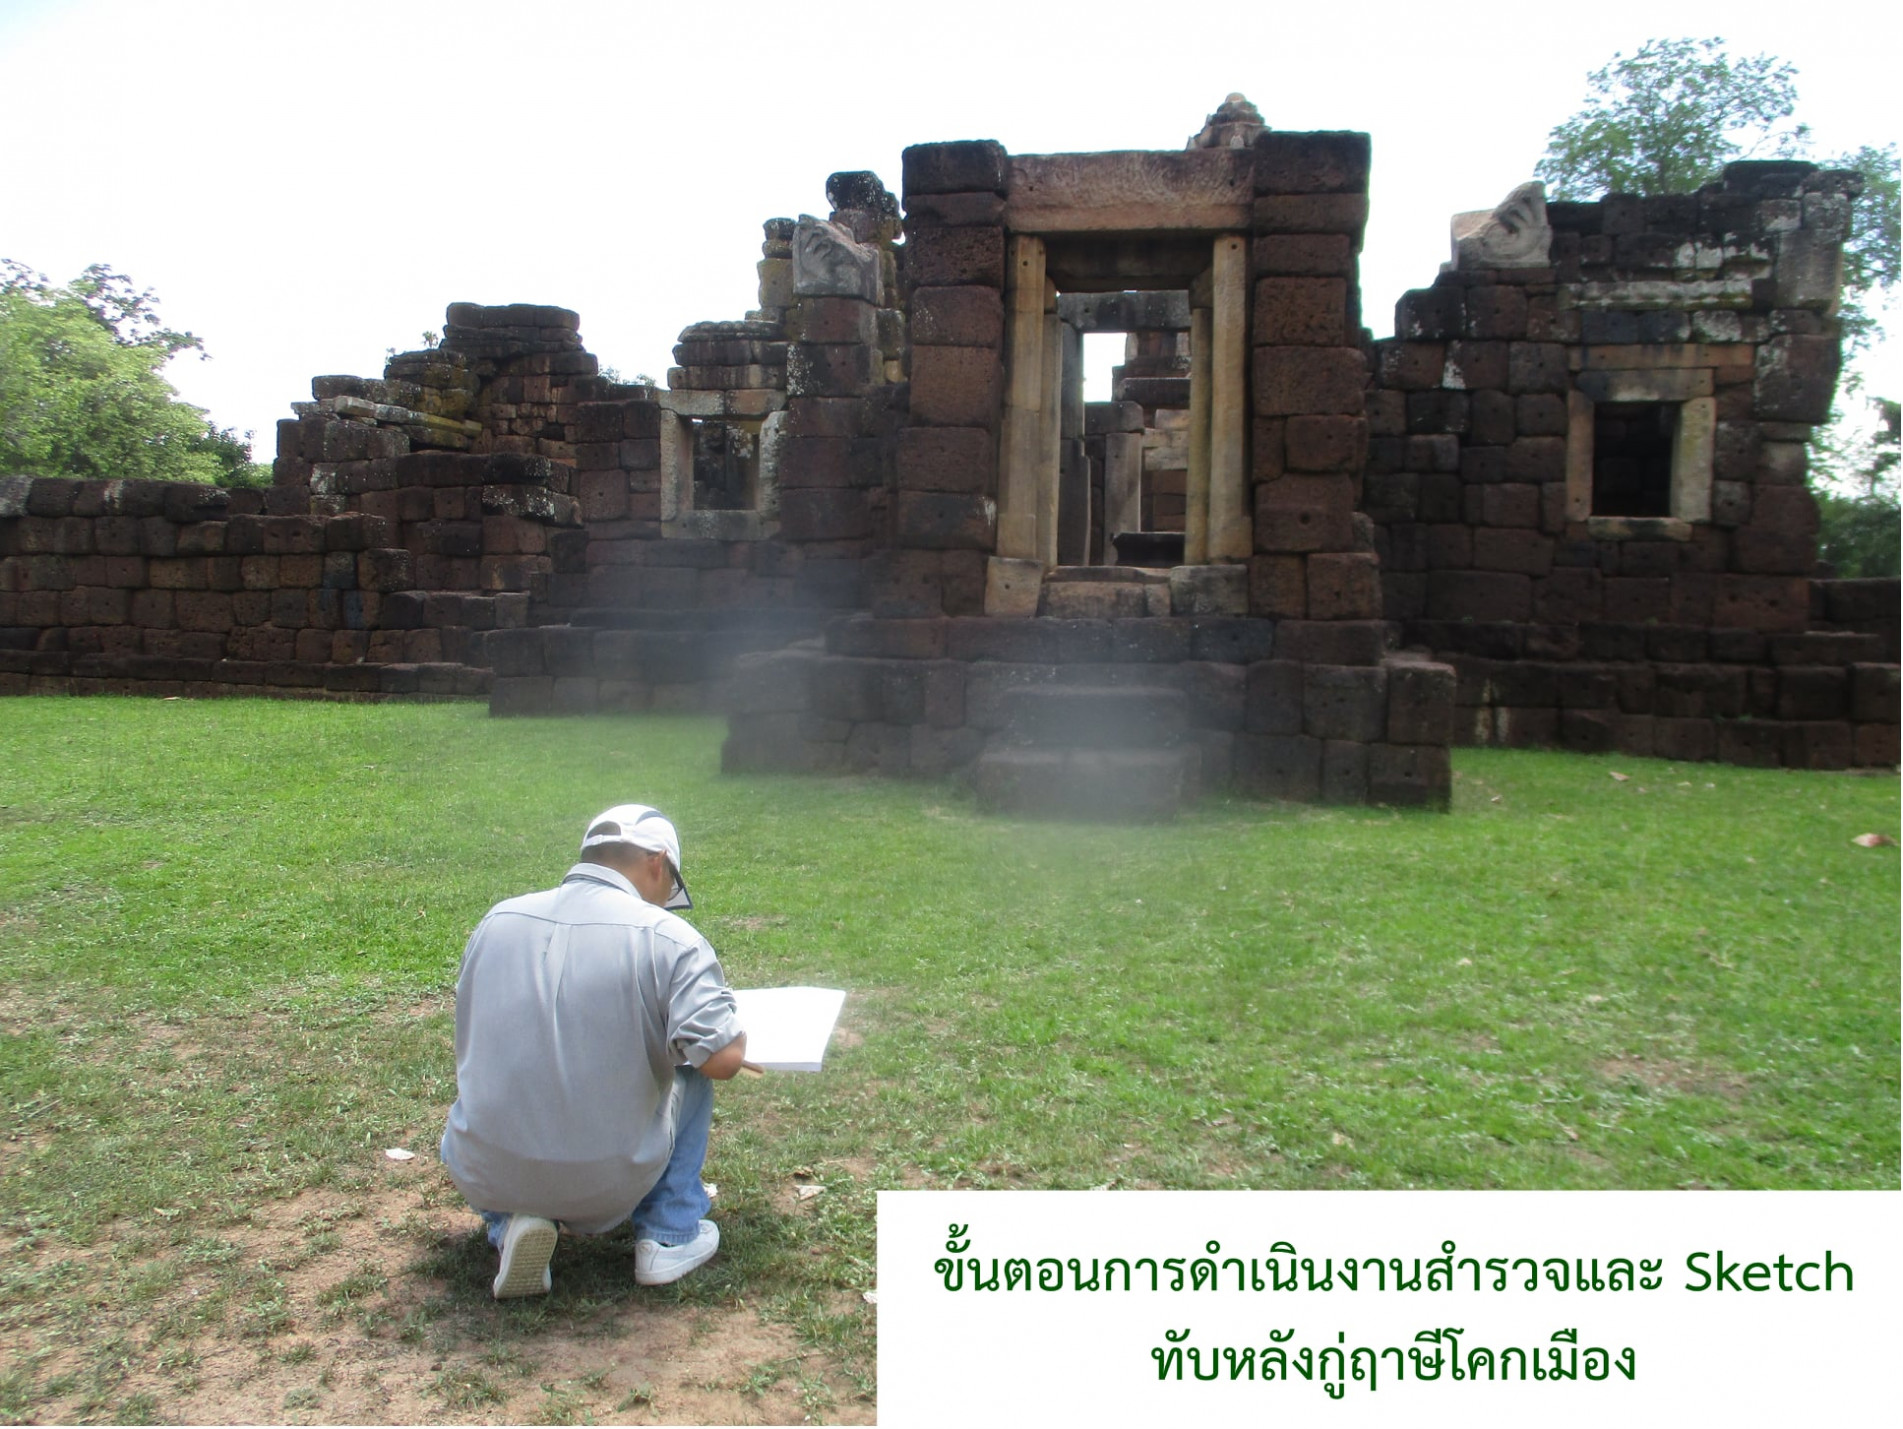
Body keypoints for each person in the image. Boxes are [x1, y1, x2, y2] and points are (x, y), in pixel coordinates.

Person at [439, 804, 747, 1299]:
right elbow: (722, 1059)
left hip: (484, 1168)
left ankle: (509, 1224)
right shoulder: (669, 938)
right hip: (608, 1180)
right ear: (657, 862)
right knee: (691, 1068)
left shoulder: (497, 920)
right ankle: (669, 1235)